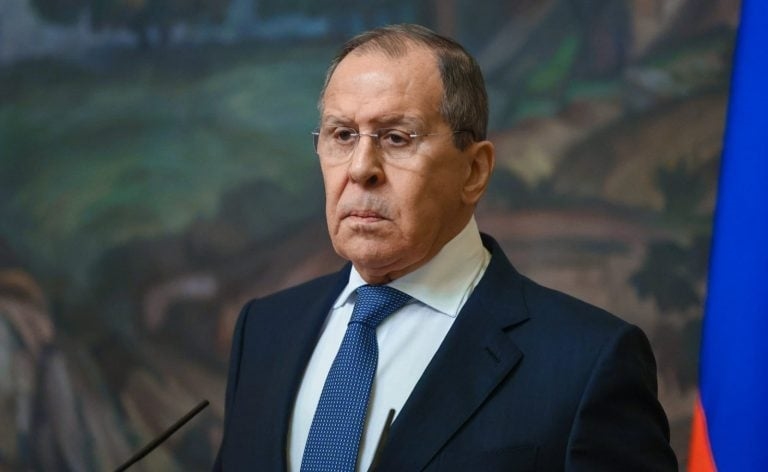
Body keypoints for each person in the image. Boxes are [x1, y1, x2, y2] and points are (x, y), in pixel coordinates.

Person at [213, 24, 677, 471]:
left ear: (474, 171)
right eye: (342, 135)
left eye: (396, 138)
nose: (360, 169)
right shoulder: (265, 329)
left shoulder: (587, 360)